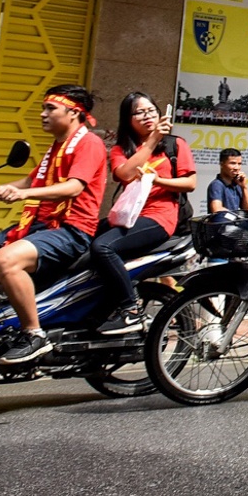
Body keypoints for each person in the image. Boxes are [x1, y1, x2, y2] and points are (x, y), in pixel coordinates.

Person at [0, 85, 108, 365]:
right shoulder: (56, 147)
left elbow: (73, 187)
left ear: (74, 112)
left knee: (6, 260)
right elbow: (30, 182)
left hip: (70, 230)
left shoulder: (89, 143)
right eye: (44, 108)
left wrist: (24, 195)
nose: (43, 114)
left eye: (50, 108)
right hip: (38, 227)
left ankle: (34, 335)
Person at [90, 92, 197, 336]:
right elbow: (125, 174)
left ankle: (131, 310)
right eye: (139, 112)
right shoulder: (121, 149)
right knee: (81, 238)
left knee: (103, 248)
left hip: (160, 217)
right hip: (129, 216)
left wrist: (158, 179)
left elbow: (190, 183)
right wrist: (151, 141)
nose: (147, 116)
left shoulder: (174, 144)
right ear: (128, 119)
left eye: (151, 110)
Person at [208, 148, 248, 213]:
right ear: (222, 164)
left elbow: (247, 209)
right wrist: (236, 216)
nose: (236, 168)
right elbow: (217, 209)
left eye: (239, 164)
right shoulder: (217, 184)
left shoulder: (237, 185)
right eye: (233, 163)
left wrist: (244, 187)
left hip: (234, 223)